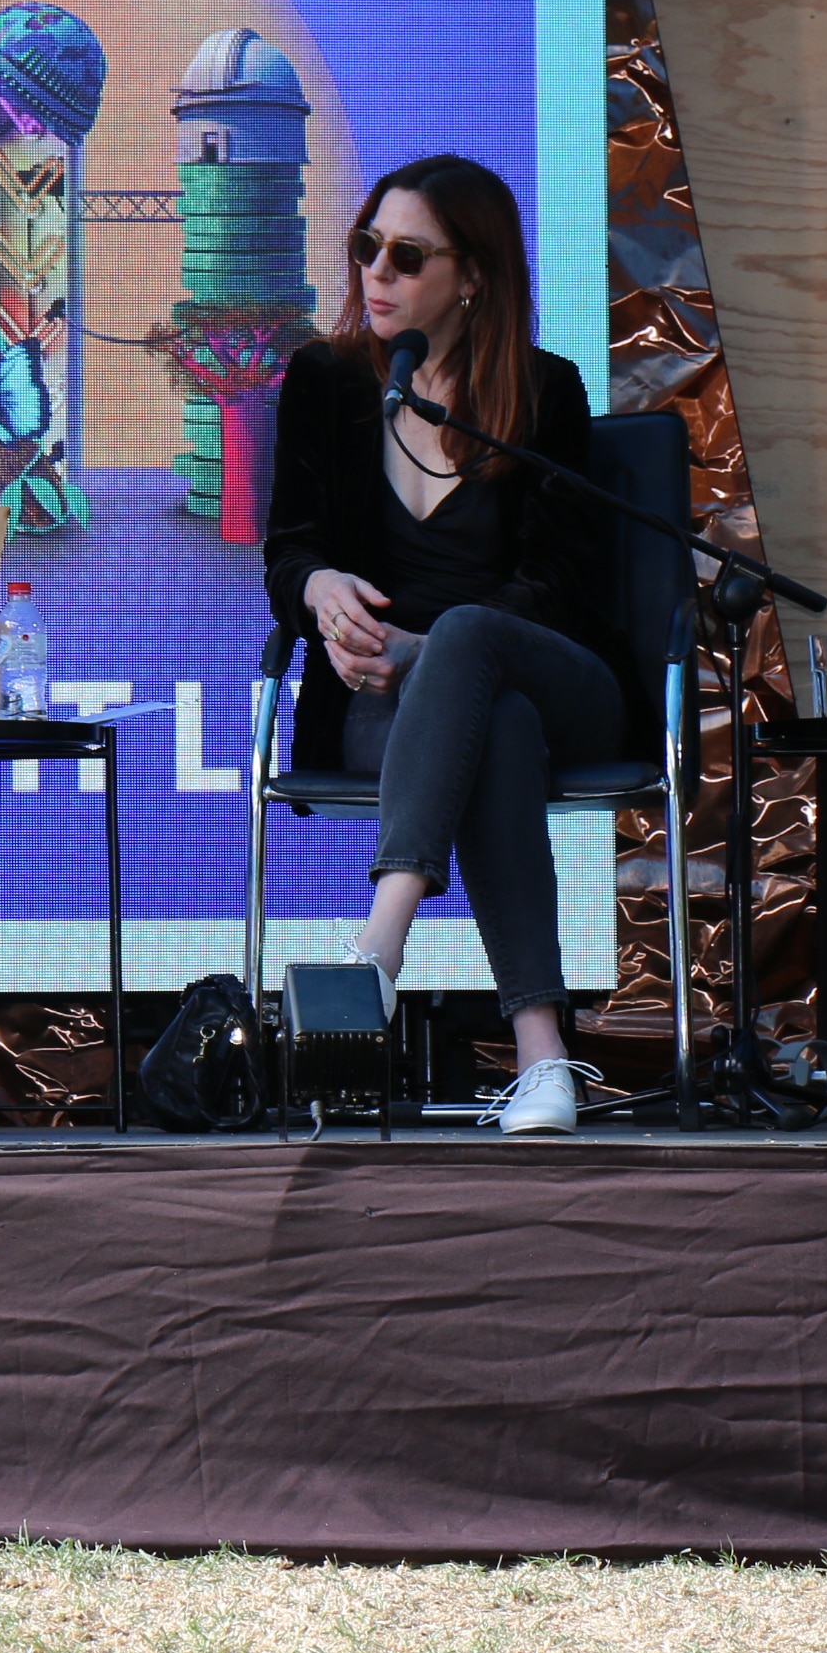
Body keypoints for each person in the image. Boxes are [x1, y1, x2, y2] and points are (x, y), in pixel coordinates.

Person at [262, 155, 626, 1134]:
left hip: (556, 678)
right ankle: (546, 1057)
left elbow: (551, 587)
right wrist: (320, 586)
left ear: (472, 275)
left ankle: (377, 948)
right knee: (487, 723)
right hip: (388, 709)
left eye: (406, 254)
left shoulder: (547, 392)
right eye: (365, 246)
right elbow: (289, 551)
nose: (375, 272)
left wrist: (431, 645)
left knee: (473, 644)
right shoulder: (326, 380)